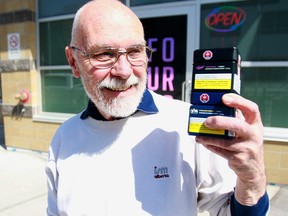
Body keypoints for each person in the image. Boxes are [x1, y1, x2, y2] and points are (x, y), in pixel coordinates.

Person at [45, 0, 269, 215]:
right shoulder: (64, 139)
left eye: (134, 52)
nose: (124, 71)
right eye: (104, 54)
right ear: (73, 61)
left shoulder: (185, 124)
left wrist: (252, 181)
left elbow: (227, 212)